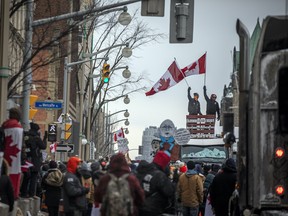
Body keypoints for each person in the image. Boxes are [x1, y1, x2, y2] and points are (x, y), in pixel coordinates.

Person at [136, 151, 175, 216]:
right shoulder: (159, 175)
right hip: (154, 209)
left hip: (138, 207)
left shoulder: (140, 172)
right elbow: (169, 191)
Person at [21, 122, 47, 198]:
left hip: (25, 159)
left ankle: (23, 193)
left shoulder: (26, 136)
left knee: (26, 177)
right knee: (33, 178)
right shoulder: (36, 138)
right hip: (35, 160)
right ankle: (32, 194)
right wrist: (45, 138)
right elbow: (43, 146)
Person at [2, 107, 23, 199]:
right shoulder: (18, 127)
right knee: (14, 172)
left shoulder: (4, 125)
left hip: (4, 154)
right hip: (15, 155)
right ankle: (13, 193)